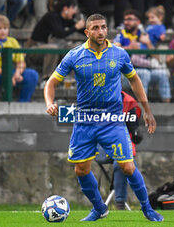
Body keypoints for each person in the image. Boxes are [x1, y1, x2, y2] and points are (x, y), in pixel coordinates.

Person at [44, 13, 164, 222]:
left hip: (113, 120)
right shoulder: (74, 55)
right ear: (87, 32)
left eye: (103, 27)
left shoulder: (119, 54)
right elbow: (51, 83)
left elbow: (134, 80)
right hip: (84, 120)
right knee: (81, 169)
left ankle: (147, 208)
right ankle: (99, 208)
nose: (100, 32)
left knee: (127, 165)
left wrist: (147, 109)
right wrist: (49, 103)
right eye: (95, 28)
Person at [114, 9, 171, 103]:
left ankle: (167, 104)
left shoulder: (145, 35)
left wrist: (148, 44)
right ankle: (143, 105)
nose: (126, 22)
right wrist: (129, 47)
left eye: (129, 19)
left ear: (138, 22)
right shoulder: (121, 36)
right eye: (125, 20)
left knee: (162, 74)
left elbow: (156, 58)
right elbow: (115, 49)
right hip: (124, 75)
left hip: (145, 69)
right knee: (145, 73)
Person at [0, 14, 39, 102]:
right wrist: (7, 76)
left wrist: (17, 74)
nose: (3, 31)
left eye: (5, 28)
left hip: (10, 73)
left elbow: (21, 62)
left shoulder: (13, 41)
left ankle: (23, 103)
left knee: (32, 74)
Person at [26, 0, 85, 79]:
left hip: (54, 47)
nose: (75, 11)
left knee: (76, 48)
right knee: (52, 48)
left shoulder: (66, 19)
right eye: (73, 8)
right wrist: (75, 27)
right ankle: (48, 79)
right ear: (65, 9)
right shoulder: (52, 16)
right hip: (34, 48)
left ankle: (72, 78)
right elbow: (60, 33)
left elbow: (82, 30)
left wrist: (94, 33)